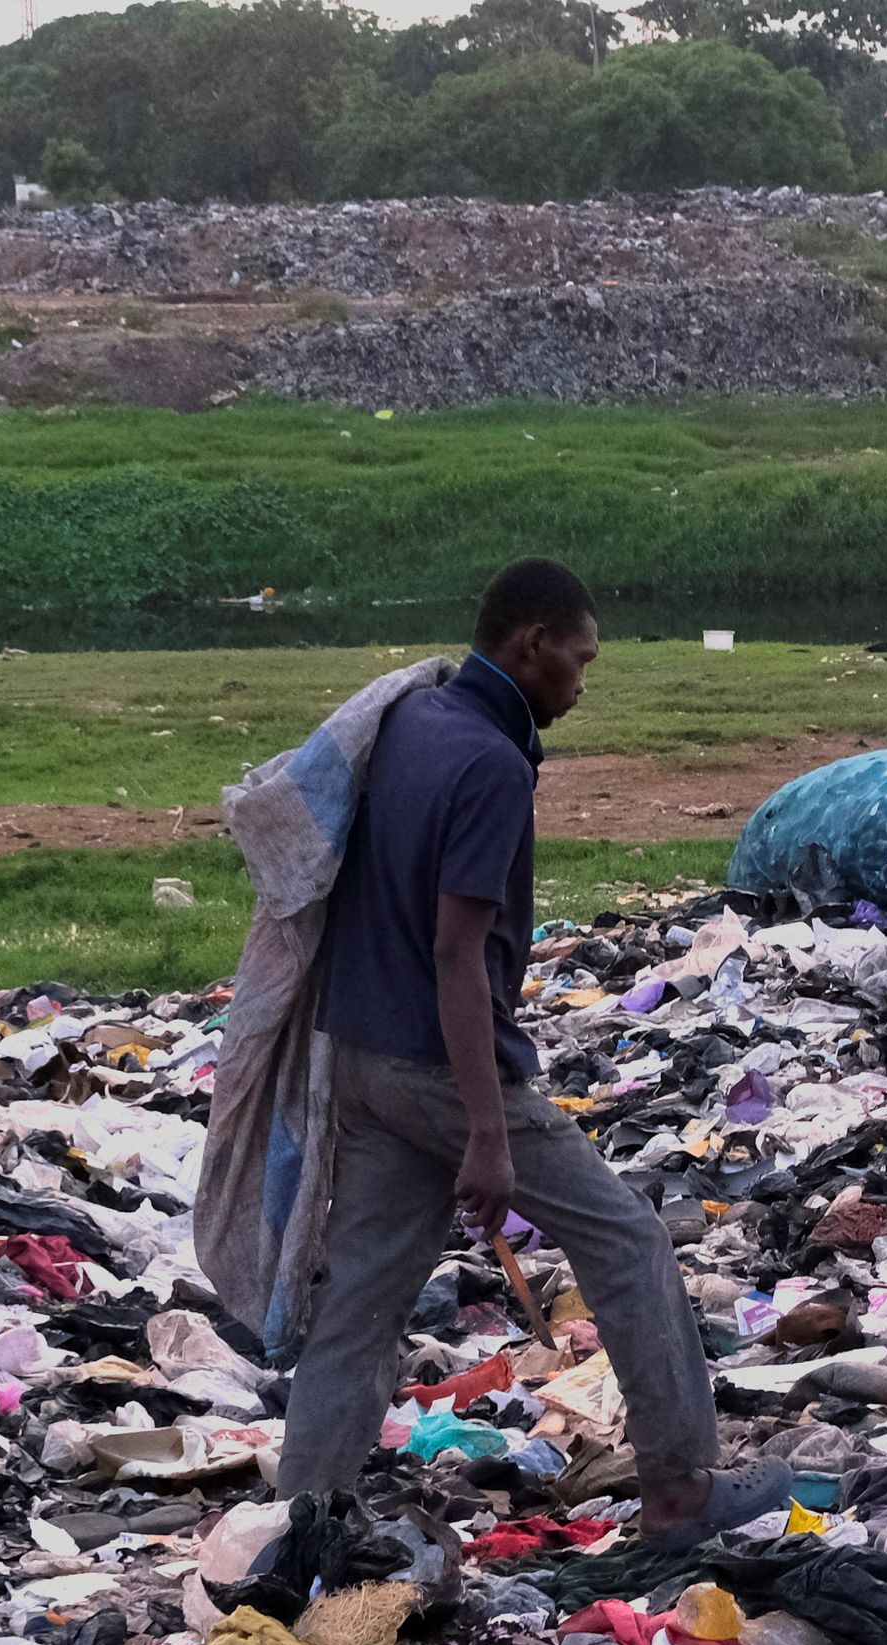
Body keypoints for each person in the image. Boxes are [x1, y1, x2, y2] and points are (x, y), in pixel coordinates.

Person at [274, 558, 765, 1541]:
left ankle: (301, 1523)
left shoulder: (415, 719)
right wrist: (488, 1133)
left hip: (361, 1054)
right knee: (626, 1241)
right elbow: (457, 953)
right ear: (530, 645)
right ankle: (679, 1486)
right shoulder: (490, 764)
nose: (582, 683)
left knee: (363, 1302)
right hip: (437, 1065)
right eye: (578, 661)